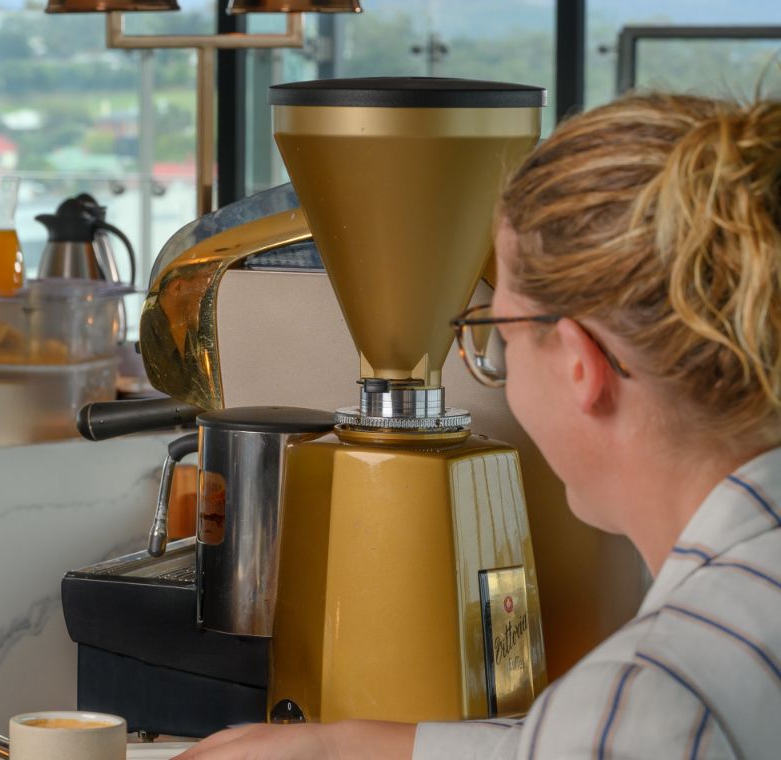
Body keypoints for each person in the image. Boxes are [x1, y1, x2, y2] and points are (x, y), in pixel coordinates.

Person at [181, 92, 781, 759]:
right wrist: (341, 745)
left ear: (581, 365)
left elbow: (625, 728)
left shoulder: (654, 696)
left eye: (497, 336)